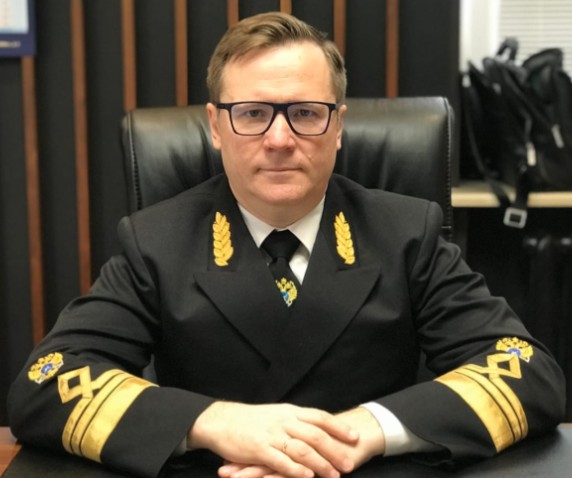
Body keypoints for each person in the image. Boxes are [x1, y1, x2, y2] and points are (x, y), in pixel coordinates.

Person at [8, 11, 565, 478]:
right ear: (216, 126)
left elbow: (528, 372)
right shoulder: (156, 241)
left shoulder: (406, 232)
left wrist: (363, 430)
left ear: (338, 126)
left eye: (305, 113)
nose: (279, 139)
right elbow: (45, 382)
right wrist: (212, 422)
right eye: (252, 113)